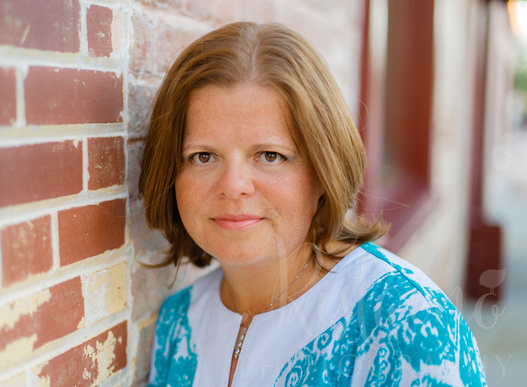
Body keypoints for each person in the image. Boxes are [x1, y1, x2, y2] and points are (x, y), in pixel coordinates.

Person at [139, 22, 485, 386]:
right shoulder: (178, 323)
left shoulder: (408, 322)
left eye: (270, 155)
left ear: (323, 171)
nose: (233, 186)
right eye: (203, 156)